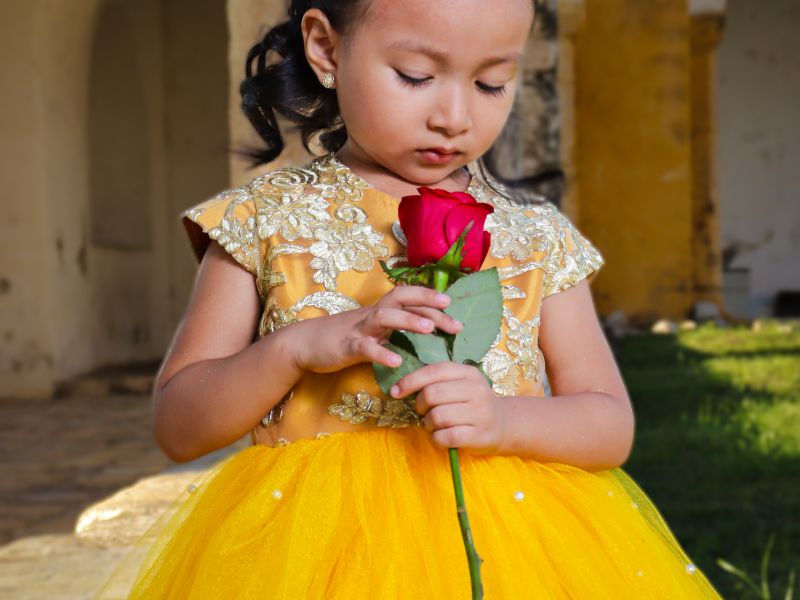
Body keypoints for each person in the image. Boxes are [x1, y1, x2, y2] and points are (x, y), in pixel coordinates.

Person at [114, 0, 723, 597]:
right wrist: (293, 350)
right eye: (416, 76)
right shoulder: (266, 220)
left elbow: (609, 424)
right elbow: (179, 427)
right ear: (326, 48)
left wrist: (505, 420)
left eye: (492, 83)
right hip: (311, 556)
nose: (454, 116)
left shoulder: (534, 238)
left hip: (507, 544)